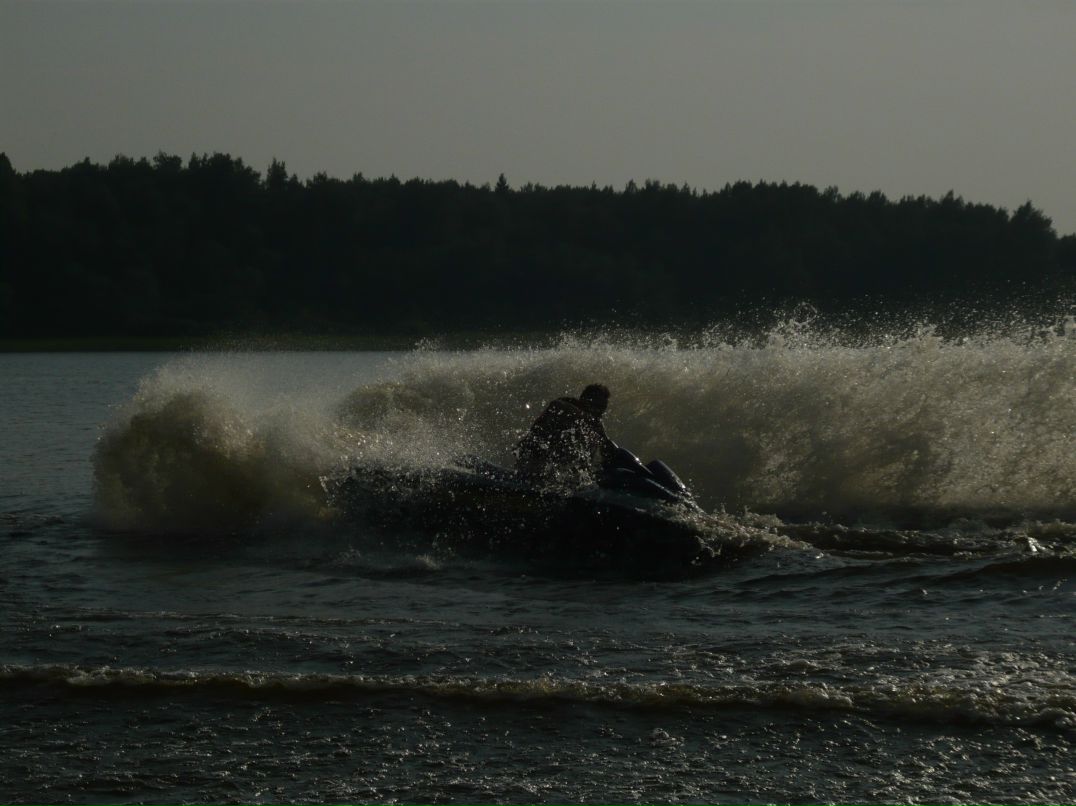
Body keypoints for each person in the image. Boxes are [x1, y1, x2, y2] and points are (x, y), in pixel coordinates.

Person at [514, 384, 617, 484]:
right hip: (530, 464)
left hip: (554, 474)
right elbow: (556, 405)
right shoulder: (563, 407)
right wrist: (588, 419)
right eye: (597, 407)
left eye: (603, 409)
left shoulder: (593, 424)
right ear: (584, 400)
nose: (600, 413)